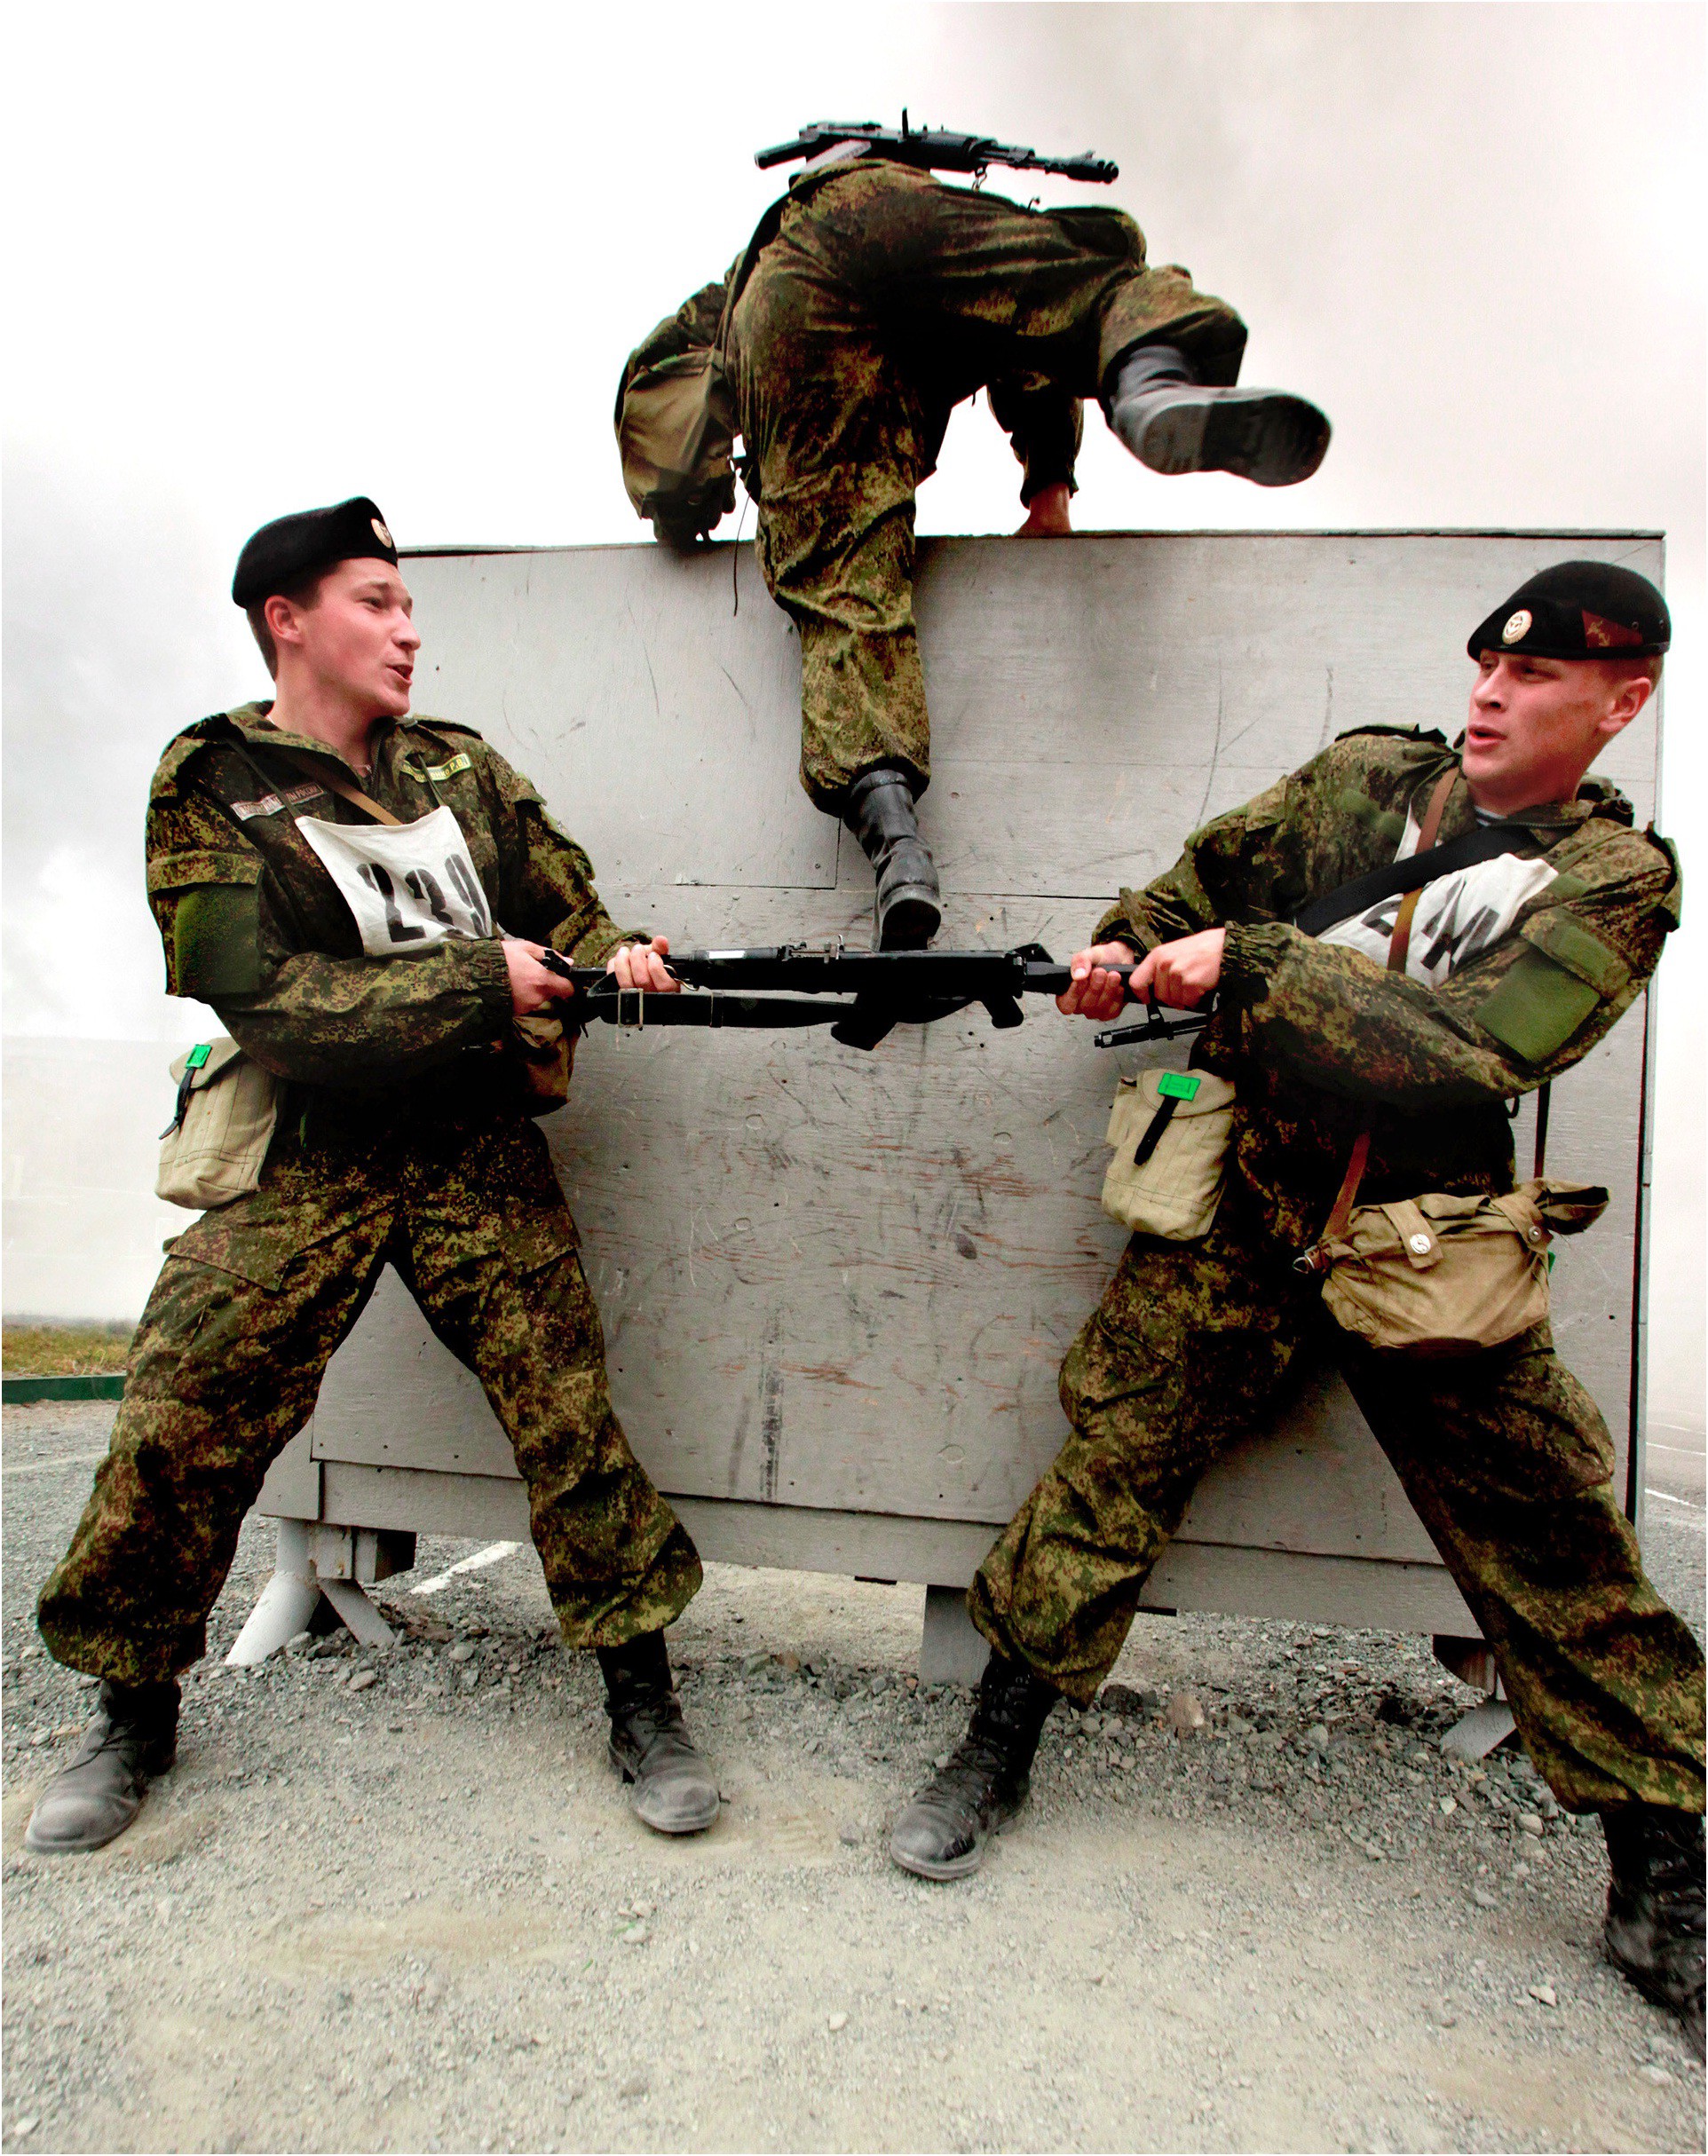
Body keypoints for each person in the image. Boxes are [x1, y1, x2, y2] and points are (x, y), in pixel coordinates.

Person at [886, 560, 1705, 2043]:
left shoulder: (1611, 879)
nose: (1489, 692)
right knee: (1108, 1464)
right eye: (1481, 666)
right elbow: (1200, 879)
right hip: (1239, 1194)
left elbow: (1474, 1047)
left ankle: (1663, 1877)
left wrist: (1248, 961)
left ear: (1619, 697)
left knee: (1547, 1533)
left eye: (1532, 676)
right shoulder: (1365, 784)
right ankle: (992, 1746)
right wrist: (1125, 948)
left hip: (1420, 1228)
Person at [27, 498, 719, 1853]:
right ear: (288, 621)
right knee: (183, 1405)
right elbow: (260, 997)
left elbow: (567, 910)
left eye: (408, 604)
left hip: (470, 1141)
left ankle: (642, 1694)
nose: (407, 631)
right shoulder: (211, 781)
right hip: (307, 1141)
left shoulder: (462, 772)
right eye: (373, 603)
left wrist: (616, 953)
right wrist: (475, 976)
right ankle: (131, 1708)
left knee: (565, 1412)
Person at [617, 144, 1331, 950]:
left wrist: (689, 503)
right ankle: (1150, 367)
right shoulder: (906, 200)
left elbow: (656, 421)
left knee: (844, 592)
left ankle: (899, 851)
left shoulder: (737, 289)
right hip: (916, 233)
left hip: (796, 297)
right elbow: (1021, 351)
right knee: (1067, 283)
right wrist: (1049, 485)